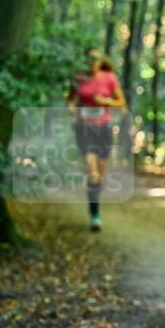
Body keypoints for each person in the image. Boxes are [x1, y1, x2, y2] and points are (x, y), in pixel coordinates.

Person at [67, 51, 125, 232]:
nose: (92, 63)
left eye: (95, 60)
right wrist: (73, 110)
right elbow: (70, 102)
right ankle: (95, 215)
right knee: (92, 172)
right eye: (89, 60)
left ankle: (94, 205)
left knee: (99, 177)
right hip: (84, 129)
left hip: (103, 130)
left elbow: (121, 102)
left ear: (100, 62)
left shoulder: (109, 78)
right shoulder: (79, 78)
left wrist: (106, 100)